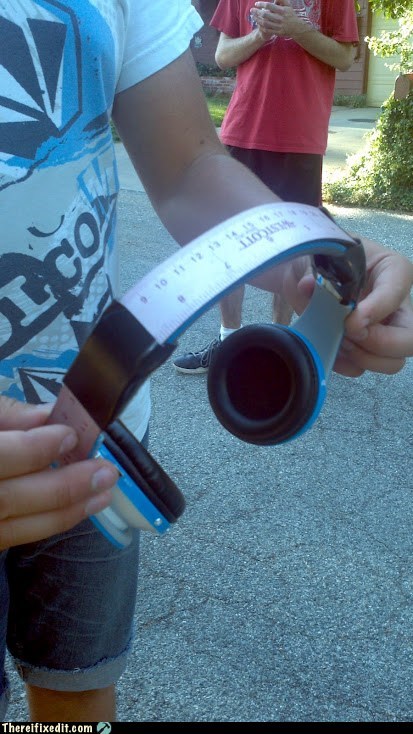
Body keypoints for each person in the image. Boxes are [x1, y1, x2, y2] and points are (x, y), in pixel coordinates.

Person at [0, 0, 412, 723]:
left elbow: (188, 165)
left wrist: (309, 252)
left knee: (75, 693)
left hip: (96, 433)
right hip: (81, 435)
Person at [172, 0, 360, 374]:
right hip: (244, 130)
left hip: (300, 139)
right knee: (229, 241)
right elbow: (223, 55)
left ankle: (279, 347)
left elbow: (345, 57)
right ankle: (228, 342)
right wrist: (261, 34)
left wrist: (298, 29)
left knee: (292, 250)